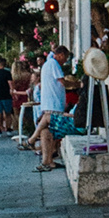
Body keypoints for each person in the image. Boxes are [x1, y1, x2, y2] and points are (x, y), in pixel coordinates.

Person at [36, 40, 71, 169]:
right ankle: (35, 144)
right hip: (54, 103)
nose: (65, 61)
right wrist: (77, 84)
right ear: (61, 55)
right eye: (65, 58)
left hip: (49, 102)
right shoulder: (54, 64)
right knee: (51, 132)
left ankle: (47, 160)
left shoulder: (48, 63)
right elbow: (62, 81)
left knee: (48, 131)